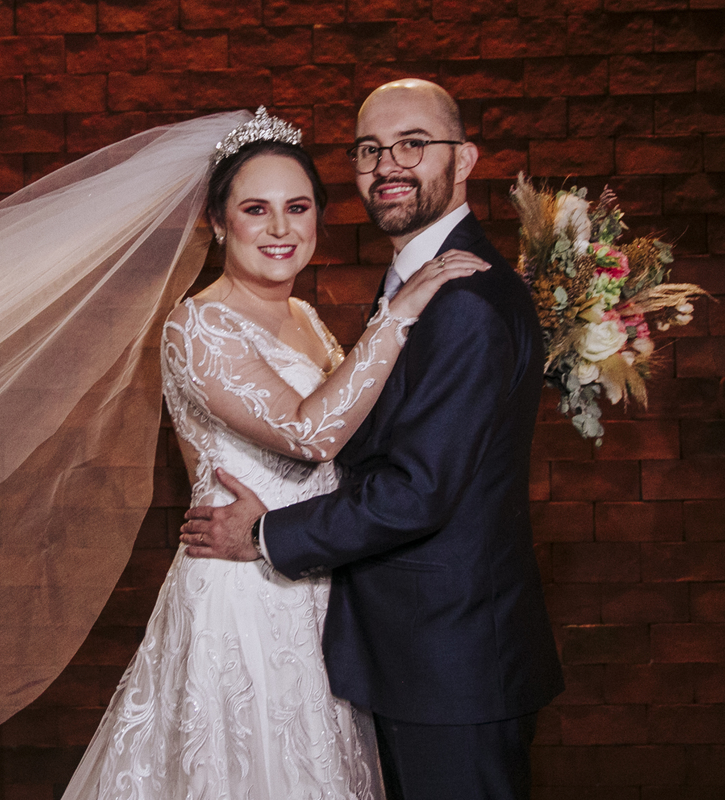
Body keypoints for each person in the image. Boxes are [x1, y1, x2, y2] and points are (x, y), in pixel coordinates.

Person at [61, 109, 488, 798]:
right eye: (255, 210)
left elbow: (360, 437)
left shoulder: (304, 317)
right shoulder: (197, 326)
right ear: (218, 222)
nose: (280, 229)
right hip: (242, 595)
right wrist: (402, 313)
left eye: (298, 207)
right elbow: (311, 434)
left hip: (312, 580)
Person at [180, 80, 565, 800]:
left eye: (413, 144)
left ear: (464, 159)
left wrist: (264, 534)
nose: (389, 164)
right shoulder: (411, 291)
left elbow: (415, 491)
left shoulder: (462, 300)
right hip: (366, 640)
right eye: (369, 149)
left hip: (449, 659)